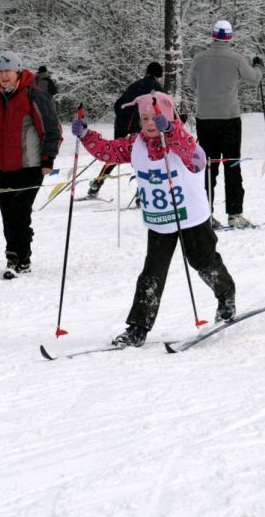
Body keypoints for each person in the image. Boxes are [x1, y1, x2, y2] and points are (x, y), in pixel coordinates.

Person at [71, 91, 236, 347]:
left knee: (203, 262)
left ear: (168, 117)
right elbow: (109, 152)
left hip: (191, 217)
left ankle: (226, 295)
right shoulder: (135, 144)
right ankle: (137, 328)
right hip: (160, 220)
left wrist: (170, 130)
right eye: (145, 118)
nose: (149, 123)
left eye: (155, 117)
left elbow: (191, 152)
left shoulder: (183, 141)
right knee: (152, 274)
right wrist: (86, 136)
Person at [0, 51, 61, 279]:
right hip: (2, 168)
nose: (4, 76)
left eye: (8, 71)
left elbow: (52, 129)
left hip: (30, 167)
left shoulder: (34, 94)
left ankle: (19, 258)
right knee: (7, 216)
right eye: (0, 72)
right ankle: (16, 257)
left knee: (19, 214)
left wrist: (48, 159)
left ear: (18, 71)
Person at [187, 20, 263, 229]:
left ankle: (205, 215)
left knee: (208, 167)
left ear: (212, 35)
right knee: (232, 166)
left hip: (205, 119)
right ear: (229, 37)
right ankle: (235, 214)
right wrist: (258, 66)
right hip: (229, 119)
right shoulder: (236, 59)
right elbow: (254, 79)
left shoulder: (199, 58)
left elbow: (191, 84)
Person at [86, 61, 163, 198]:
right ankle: (141, 194)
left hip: (121, 123)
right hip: (139, 125)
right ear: (159, 75)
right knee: (145, 157)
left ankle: (96, 184)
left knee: (115, 153)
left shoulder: (135, 84)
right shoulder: (156, 87)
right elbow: (162, 110)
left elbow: (118, 104)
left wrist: (123, 118)